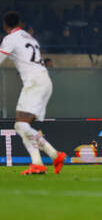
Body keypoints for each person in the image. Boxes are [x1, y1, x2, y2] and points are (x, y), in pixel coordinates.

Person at [0, 12, 66, 175]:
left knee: (20, 125)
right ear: (20, 24)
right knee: (23, 126)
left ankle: (54, 155)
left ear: (5, 25)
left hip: (34, 83)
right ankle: (39, 162)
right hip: (44, 81)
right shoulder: (29, 38)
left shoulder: (10, 39)